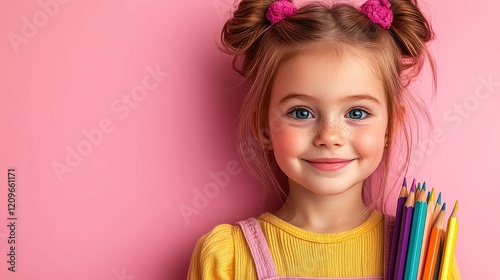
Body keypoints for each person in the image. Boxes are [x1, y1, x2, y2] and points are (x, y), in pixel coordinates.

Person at [187, 0, 461, 279]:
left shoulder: (427, 256)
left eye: (357, 112)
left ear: (390, 127)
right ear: (264, 127)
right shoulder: (228, 258)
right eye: (301, 112)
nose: (329, 136)